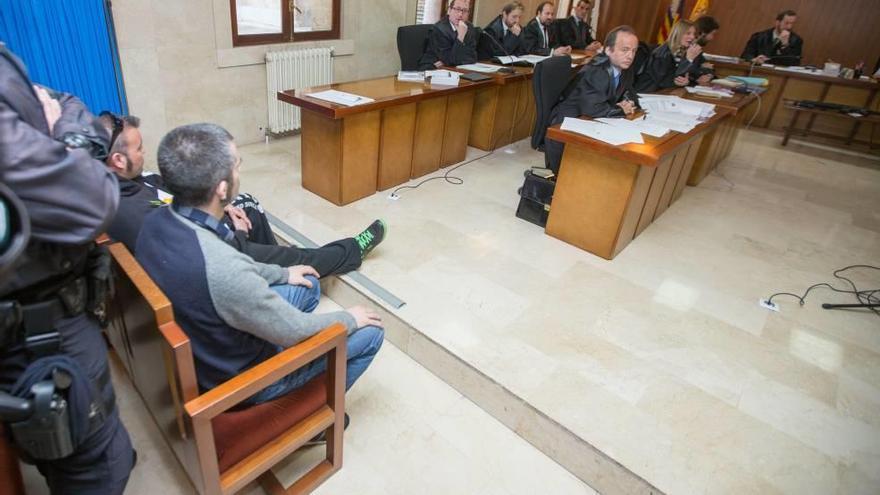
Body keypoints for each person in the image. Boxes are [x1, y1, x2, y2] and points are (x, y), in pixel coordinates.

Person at [135, 123, 384, 407]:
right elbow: (295, 330)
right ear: (222, 188)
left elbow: (234, 266)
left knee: (308, 284)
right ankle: (314, 412)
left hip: (207, 347)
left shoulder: (156, 221)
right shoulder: (221, 266)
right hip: (244, 380)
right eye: (237, 166)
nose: (239, 171)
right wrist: (350, 319)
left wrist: (283, 273)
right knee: (370, 331)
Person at [0, 44, 135, 494]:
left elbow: (69, 100)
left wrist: (63, 132)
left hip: (51, 313)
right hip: (39, 331)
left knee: (91, 444)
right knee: (93, 466)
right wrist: (74, 140)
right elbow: (90, 200)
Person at [96, 113, 385, 277]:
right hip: (213, 251)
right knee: (301, 255)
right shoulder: (130, 210)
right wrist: (235, 233)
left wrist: (225, 207)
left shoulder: (127, 182)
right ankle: (349, 251)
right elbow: (190, 241)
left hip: (203, 228)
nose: (144, 152)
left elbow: (175, 191)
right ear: (119, 160)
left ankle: (276, 265)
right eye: (138, 148)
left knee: (248, 205)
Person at [544, 26, 641, 173]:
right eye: (625, 50)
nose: (630, 56)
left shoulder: (625, 68)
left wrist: (630, 102)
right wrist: (621, 109)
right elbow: (593, 108)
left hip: (589, 120)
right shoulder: (598, 71)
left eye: (633, 51)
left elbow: (630, 92)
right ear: (608, 50)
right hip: (567, 126)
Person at [635, 19, 708, 92]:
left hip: (665, 93)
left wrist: (686, 82)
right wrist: (688, 60)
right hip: (647, 93)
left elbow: (686, 75)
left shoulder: (682, 52)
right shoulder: (662, 54)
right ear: (678, 34)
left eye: (694, 34)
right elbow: (664, 82)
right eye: (688, 33)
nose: (692, 37)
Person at [418, 0, 478, 69]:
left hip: (456, 69)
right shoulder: (438, 29)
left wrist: (450, 61)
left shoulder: (469, 27)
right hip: (432, 69)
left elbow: (473, 57)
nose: (460, 14)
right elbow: (451, 60)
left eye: (465, 11)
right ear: (449, 10)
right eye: (457, 9)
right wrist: (460, 36)